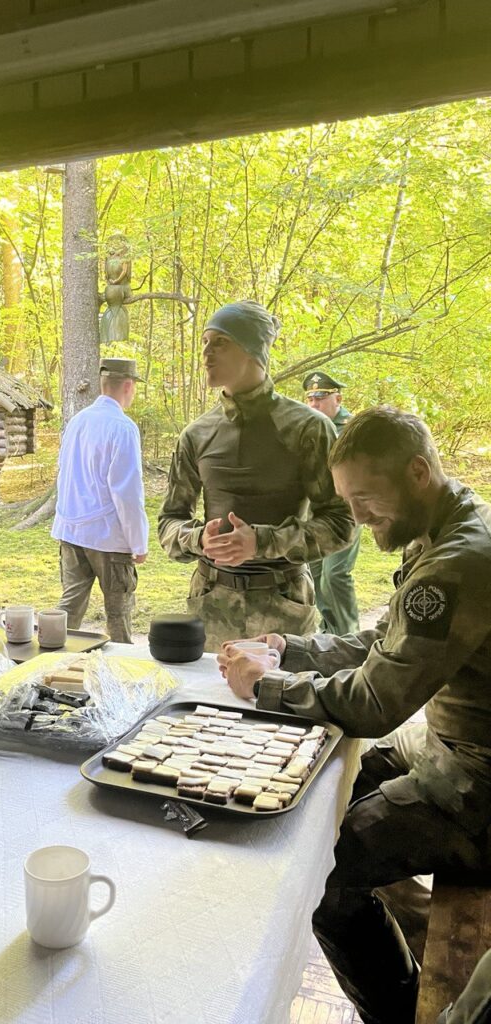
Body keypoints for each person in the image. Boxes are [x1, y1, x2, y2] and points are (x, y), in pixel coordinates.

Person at [218, 406, 491, 1024]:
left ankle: (398, 1011)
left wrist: (271, 688)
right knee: (333, 789)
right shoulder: (448, 525)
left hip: (477, 786)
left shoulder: (457, 564)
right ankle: (410, 937)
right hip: (447, 746)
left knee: (322, 867)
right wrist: (292, 650)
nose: (358, 516)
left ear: (418, 471)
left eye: (365, 498)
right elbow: (386, 643)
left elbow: (375, 703)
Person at [158, 300, 355, 651]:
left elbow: (342, 524)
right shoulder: (197, 434)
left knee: (284, 703)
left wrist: (262, 542)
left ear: (253, 351)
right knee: (206, 703)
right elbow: (168, 524)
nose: (206, 352)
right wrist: (199, 539)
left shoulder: (308, 428)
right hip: (211, 606)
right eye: (204, 341)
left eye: (220, 342)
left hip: (284, 608)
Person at [51, 357, 149, 643]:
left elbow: (65, 473)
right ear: (128, 386)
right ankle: (122, 674)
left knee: (70, 607)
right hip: (108, 536)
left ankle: (50, 661)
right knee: (118, 614)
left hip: (71, 529)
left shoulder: (77, 421)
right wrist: (138, 542)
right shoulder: (122, 427)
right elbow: (127, 491)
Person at [303, 371, 361, 635]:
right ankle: (329, 634)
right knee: (315, 575)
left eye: (321, 398)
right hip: (314, 515)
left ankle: (349, 637)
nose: (314, 404)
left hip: (344, 513)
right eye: (310, 399)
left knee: (335, 575)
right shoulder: (306, 428)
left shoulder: (351, 429)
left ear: (337, 398)